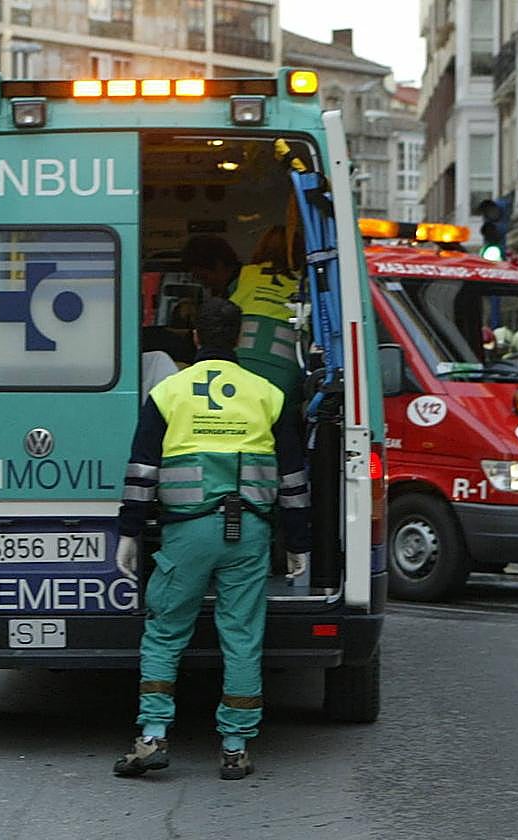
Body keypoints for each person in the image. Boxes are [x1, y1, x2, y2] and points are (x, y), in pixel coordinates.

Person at [111, 298, 311, 781]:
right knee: (241, 636)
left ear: (195, 337)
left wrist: (130, 531)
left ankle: (153, 736)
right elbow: (292, 478)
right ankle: (235, 746)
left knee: (165, 631)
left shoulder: (168, 392)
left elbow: (142, 471)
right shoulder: (268, 393)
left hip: (187, 533)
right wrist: (298, 543)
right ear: (239, 337)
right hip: (249, 534)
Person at [180, 231, 304, 418]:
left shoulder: (245, 277)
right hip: (289, 369)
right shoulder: (306, 282)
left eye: (203, 277)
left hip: (242, 367)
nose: (205, 285)